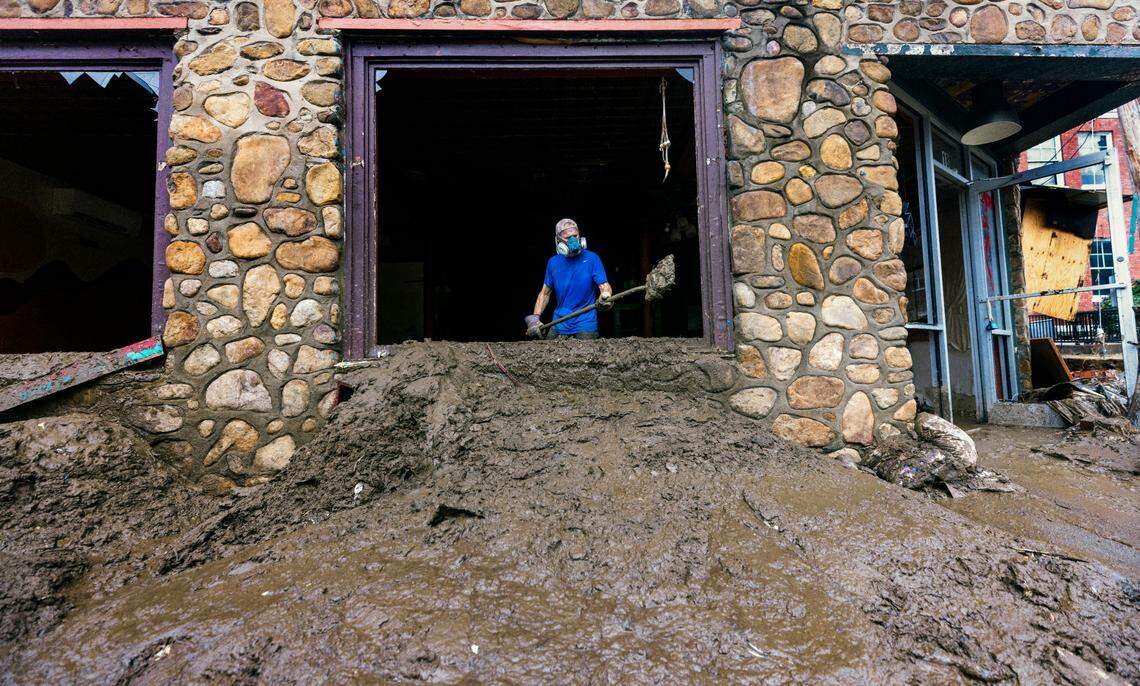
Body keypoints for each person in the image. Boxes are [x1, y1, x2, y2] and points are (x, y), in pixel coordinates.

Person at [525, 218, 612, 339]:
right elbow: (544, 293)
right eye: (567, 237)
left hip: (585, 325)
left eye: (575, 236)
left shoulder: (592, 258)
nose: (572, 240)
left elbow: (604, 286)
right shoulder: (553, 262)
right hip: (558, 323)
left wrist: (605, 297)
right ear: (558, 241)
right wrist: (535, 319)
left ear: (580, 236)